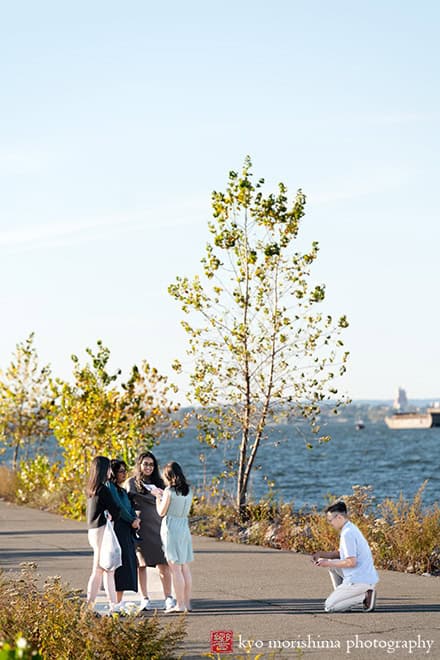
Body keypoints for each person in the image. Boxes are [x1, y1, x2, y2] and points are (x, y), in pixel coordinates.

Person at [124, 451, 175, 611]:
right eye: (145, 464)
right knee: (141, 564)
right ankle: (144, 598)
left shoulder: (160, 483)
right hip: (140, 528)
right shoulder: (131, 483)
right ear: (139, 465)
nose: (148, 467)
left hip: (159, 527)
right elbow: (126, 504)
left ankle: (168, 597)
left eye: (151, 464)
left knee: (163, 564)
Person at [312, 500, 379, 612]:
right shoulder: (350, 528)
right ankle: (344, 598)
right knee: (333, 568)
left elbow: (351, 562)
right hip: (366, 576)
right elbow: (341, 554)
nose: (330, 523)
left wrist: (326, 563)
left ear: (339, 517)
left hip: (358, 580)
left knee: (329, 606)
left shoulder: (347, 534)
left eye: (330, 520)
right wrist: (320, 554)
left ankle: (365, 597)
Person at [152, 461, 193, 613]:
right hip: (184, 527)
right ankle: (187, 603)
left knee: (175, 568)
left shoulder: (169, 491)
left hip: (171, 528)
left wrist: (157, 497)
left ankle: (180, 604)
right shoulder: (188, 491)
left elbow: (161, 512)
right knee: (185, 567)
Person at [86, 455, 122, 614]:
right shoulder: (104, 489)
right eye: (108, 468)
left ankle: (113, 605)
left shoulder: (90, 489)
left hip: (93, 530)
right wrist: (112, 514)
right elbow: (116, 510)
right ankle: (89, 606)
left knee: (107, 569)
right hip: (102, 531)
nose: (110, 472)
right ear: (104, 470)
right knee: (101, 569)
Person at [108, 459, 141, 606]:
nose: (124, 474)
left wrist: (135, 518)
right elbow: (119, 507)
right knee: (119, 564)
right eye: (121, 471)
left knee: (128, 563)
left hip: (127, 528)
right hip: (118, 528)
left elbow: (128, 506)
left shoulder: (121, 489)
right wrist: (131, 520)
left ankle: (118, 600)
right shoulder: (111, 488)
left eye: (125, 471)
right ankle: (115, 601)